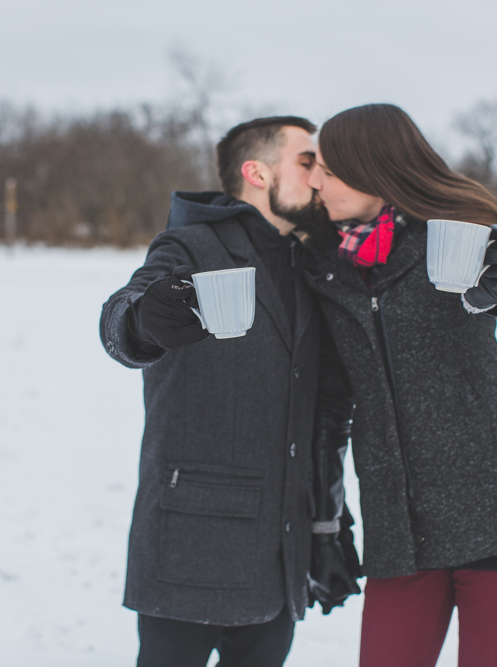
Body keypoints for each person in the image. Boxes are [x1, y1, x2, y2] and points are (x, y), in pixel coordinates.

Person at [299, 104, 497, 667]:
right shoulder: (320, 262)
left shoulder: (456, 235)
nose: (314, 181)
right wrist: (325, 522)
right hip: (400, 527)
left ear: (374, 168)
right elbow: (329, 404)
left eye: (329, 168)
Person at [100, 116, 360, 667]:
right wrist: (146, 319)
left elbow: (324, 416)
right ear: (257, 173)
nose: (318, 177)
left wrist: (327, 527)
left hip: (278, 557)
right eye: (306, 161)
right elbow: (123, 316)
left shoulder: (310, 265)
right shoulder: (189, 246)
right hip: (190, 547)